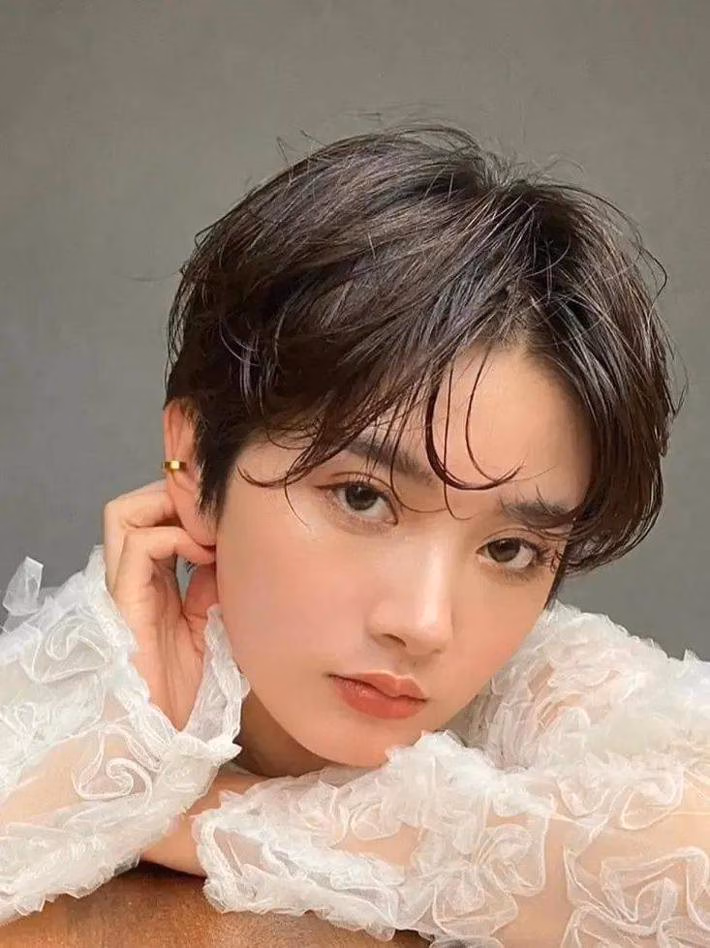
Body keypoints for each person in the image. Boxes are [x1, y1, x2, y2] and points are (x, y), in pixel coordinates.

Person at [1, 122, 708, 946]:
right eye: (364, 498)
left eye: (510, 549)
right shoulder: (70, 687)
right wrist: (120, 759)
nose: (424, 623)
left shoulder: (536, 688)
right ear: (193, 463)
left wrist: (206, 816)